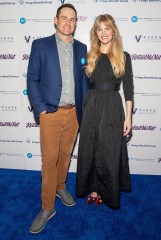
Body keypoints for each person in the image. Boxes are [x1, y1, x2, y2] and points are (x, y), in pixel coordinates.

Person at [27, 4, 88, 234]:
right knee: (49, 160)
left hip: (74, 113)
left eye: (72, 19)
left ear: (75, 22)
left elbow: (84, 82)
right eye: (64, 18)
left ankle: (61, 186)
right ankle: (47, 207)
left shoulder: (82, 48)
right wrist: (40, 108)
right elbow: (32, 79)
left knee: (65, 155)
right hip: (50, 113)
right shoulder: (40, 45)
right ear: (55, 20)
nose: (68, 23)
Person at [76, 14, 133, 209]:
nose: (103, 33)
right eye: (99, 29)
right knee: (91, 147)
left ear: (113, 30)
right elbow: (82, 85)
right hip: (91, 105)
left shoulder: (124, 56)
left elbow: (129, 89)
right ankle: (93, 189)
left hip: (112, 106)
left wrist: (129, 117)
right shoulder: (90, 55)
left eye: (107, 28)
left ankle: (109, 192)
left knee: (109, 150)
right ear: (95, 32)